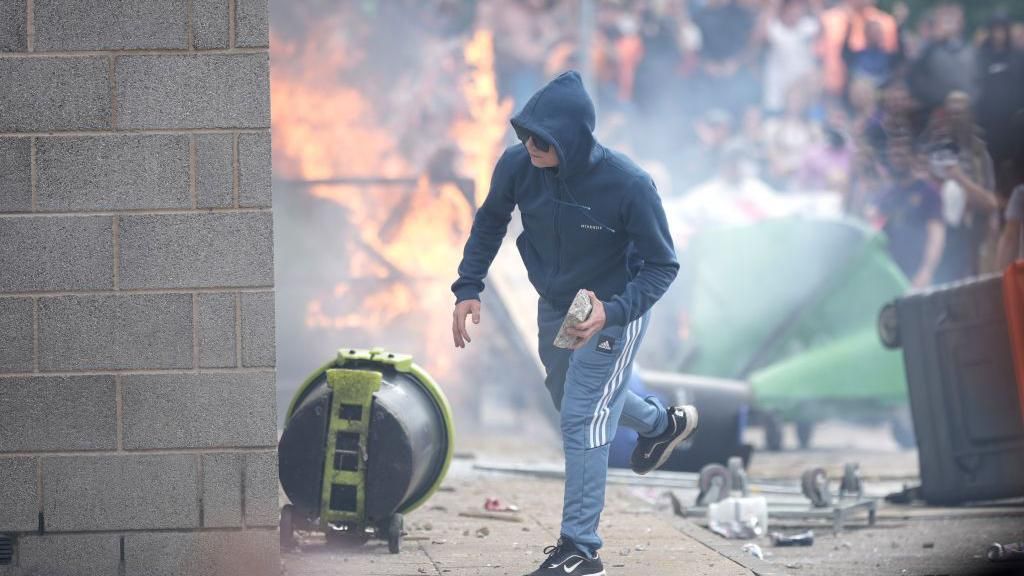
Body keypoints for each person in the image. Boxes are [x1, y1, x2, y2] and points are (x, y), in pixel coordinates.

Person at [450, 71, 699, 576]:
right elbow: (492, 218)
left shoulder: (629, 184)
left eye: (543, 139)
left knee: (582, 418)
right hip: (560, 304)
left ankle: (580, 549)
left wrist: (614, 311)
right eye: (525, 135)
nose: (531, 145)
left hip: (610, 308)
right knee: (570, 397)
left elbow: (662, 265)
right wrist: (468, 286)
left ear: (574, 137)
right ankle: (662, 424)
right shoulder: (519, 165)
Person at [874, 138, 945, 287]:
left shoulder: (928, 192)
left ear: (913, 157)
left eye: (901, 154)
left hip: (917, 272)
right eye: (893, 155)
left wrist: (926, 271)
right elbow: (877, 231)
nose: (897, 159)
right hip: (890, 272)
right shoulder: (887, 194)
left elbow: (936, 235)